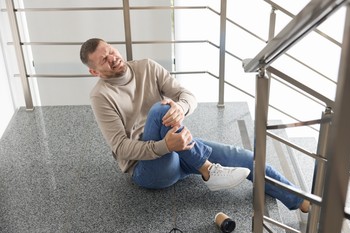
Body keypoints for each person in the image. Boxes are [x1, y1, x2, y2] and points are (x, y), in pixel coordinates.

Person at [79, 38, 310, 212]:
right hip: (148, 168)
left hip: (181, 148)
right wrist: (165, 146)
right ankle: (208, 169)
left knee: (245, 157)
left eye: (111, 51)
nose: (112, 58)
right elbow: (120, 147)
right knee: (161, 108)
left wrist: (181, 108)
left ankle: (302, 201)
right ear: (94, 71)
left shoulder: (146, 67)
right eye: (104, 60)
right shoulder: (100, 96)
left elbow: (187, 95)